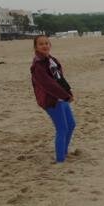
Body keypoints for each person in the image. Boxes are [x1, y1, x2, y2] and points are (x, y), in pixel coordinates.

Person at [30, 35, 77, 163]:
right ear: (36, 47)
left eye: (46, 43)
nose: (44, 46)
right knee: (62, 128)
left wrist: (68, 92)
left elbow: (60, 78)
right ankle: (60, 160)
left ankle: (64, 152)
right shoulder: (38, 65)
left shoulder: (51, 60)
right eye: (41, 44)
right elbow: (48, 85)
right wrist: (65, 96)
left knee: (71, 124)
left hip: (61, 98)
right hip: (51, 100)